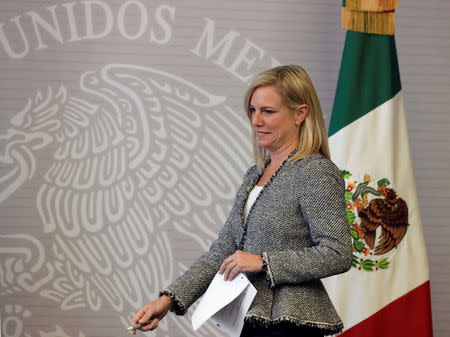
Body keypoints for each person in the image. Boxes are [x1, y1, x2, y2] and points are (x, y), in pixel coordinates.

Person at [131, 65, 352, 337]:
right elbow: (222, 252)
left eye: (267, 111)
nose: (256, 121)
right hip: (252, 322)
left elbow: (337, 253)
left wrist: (263, 262)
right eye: (252, 110)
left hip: (292, 325)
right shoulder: (254, 174)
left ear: (300, 113)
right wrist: (166, 301)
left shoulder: (315, 171)